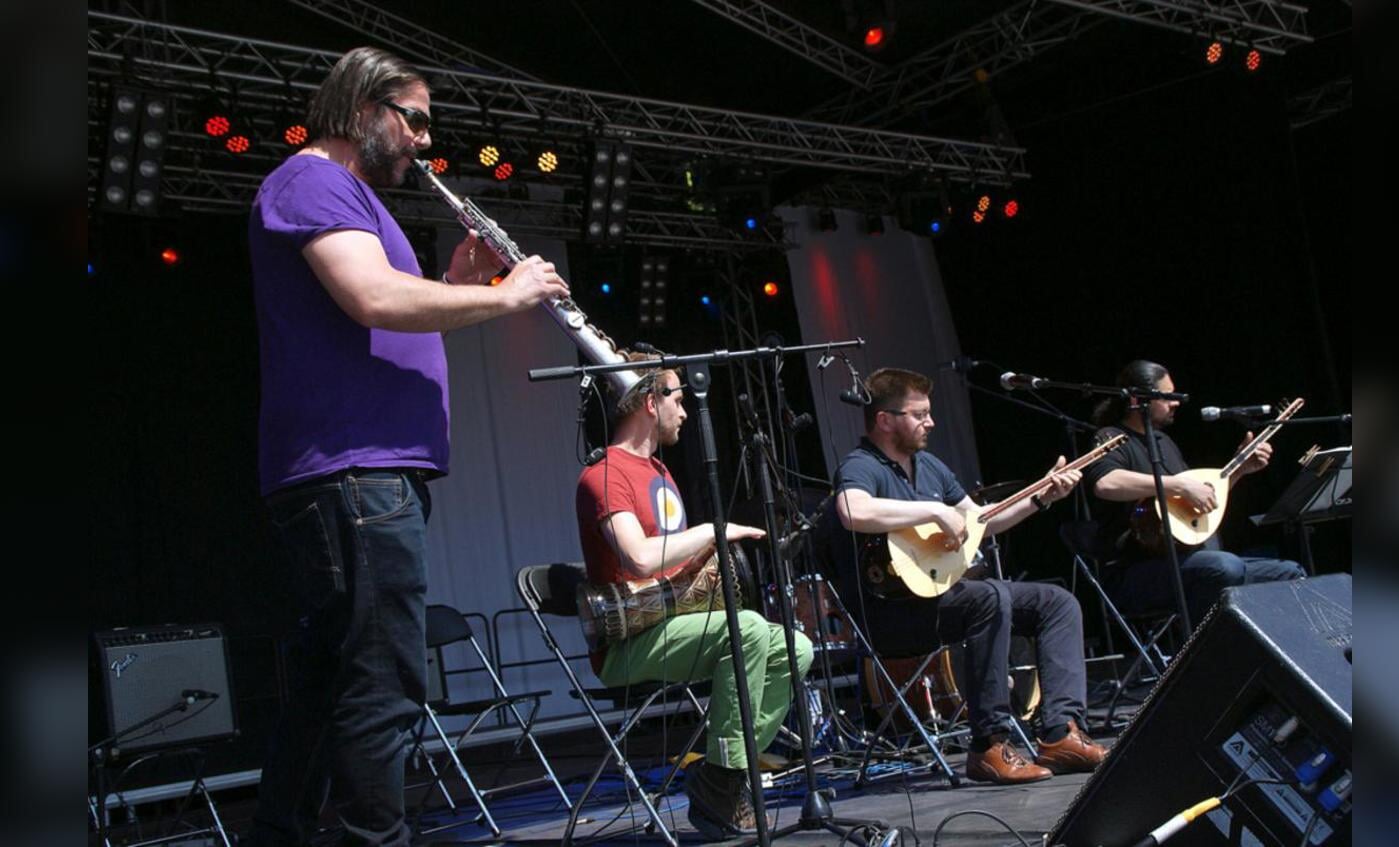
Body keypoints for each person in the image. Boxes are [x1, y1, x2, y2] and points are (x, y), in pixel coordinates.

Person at [247, 46, 568, 846]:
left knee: (329, 686)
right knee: (380, 687)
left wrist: (462, 282)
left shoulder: (351, 195)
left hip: (363, 474)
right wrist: (509, 295)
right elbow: (373, 298)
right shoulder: (313, 180)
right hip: (355, 473)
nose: (425, 141)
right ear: (362, 107)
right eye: (414, 119)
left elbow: (397, 312)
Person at [821, 368, 1106, 784]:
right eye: (919, 414)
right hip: (892, 617)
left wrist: (1041, 499)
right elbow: (853, 511)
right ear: (884, 419)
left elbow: (981, 522)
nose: (930, 422)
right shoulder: (862, 466)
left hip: (941, 600)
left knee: (1056, 602)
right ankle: (988, 745)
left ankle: (1061, 732)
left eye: (930, 413)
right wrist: (934, 511)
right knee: (988, 596)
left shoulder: (930, 466)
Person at [575, 363, 813, 839]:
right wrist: (714, 531)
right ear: (649, 401)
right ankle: (726, 782)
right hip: (628, 644)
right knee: (743, 628)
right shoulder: (602, 475)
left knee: (796, 648)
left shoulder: (659, 470)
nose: (685, 411)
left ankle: (719, 775)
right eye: (677, 399)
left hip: (677, 625)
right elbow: (640, 560)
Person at [1085, 360, 1304, 625]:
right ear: (1136, 399)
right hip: (1135, 571)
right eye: (1166, 397)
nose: (1175, 402)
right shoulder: (1112, 438)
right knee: (1224, 568)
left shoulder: (1164, 443)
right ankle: (1208, 656)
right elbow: (1106, 484)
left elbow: (1195, 502)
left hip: (1187, 561)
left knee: (1289, 572)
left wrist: (1239, 470)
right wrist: (1178, 485)